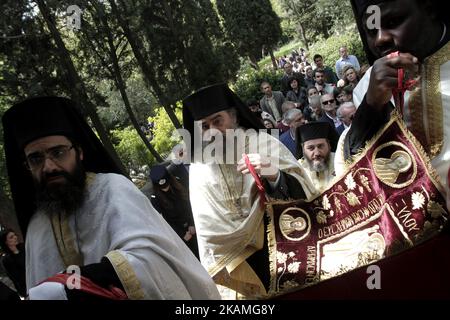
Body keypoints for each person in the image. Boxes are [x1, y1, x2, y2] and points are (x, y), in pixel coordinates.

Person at [1, 96, 220, 300]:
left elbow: (155, 261)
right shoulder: (37, 228)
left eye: (58, 153)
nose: (48, 167)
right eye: (35, 159)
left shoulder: (113, 190)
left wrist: (79, 284)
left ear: (79, 152)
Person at [182, 83, 315, 298]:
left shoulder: (262, 143)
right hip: (237, 269)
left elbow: (305, 193)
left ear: (233, 117)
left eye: (218, 121)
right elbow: (206, 230)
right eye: (205, 127)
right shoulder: (199, 168)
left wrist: (272, 173)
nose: (213, 131)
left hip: (284, 251)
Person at [150, 164, 199, 259]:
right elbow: (164, 222)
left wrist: (192, 223)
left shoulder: (178, 183)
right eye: (162, 187)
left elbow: (189, 203)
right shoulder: (155, 199)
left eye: (166, 184)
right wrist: (181, 235)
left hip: (193, 224)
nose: (165, 188)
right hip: (180, 234)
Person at [296, 122, 338, 192]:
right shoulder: (297, 170)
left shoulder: (340, 161)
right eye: (311, 148)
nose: (317, 153)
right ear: (303, 150)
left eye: (321, 146)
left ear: (329, 145)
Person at [0, 229, 26, 297]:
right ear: (6, 242)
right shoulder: (6, 260)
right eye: (11, 237)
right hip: (25, 287)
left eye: (15, 235)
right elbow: (17, 278)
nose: (15, 237)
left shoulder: (23, 247)